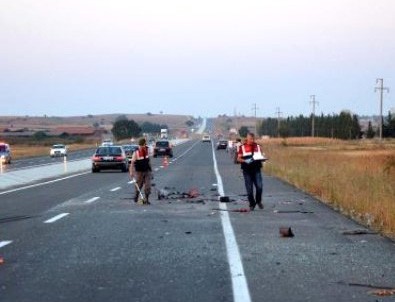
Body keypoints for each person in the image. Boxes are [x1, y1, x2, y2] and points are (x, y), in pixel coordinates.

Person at [237, 133, 264, 211]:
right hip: (247, 171)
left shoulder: (257, 146)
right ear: (247, 139)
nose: (252, 140)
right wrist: (245, 160)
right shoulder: (242, 147)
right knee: (249, 190)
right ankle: (252, 204)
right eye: (250, 139)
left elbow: (261, 155)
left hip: (257, 170)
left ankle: (258, 201)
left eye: (253, 139)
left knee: (259, 187)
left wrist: (263, 158)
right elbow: (238, 159)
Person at [129, 138, 152, 204]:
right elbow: (132, 163)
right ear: (141, 145)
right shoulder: (136, 153)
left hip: (147, 171)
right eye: (144, 144)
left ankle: (147, 199)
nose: (145, 145)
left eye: (145, 144)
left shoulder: (147, 150)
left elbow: (148, 160)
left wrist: (151, 170)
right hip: (139, 172)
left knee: (148, 185)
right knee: (139, 185)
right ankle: (136, 195)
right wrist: (131, 172)